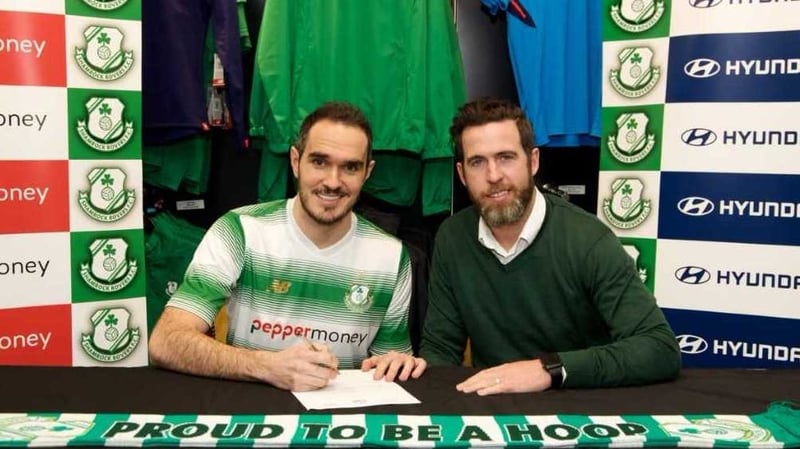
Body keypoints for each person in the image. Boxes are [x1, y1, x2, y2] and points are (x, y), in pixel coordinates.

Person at [149, 102, 427, 391]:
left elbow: (387, 364)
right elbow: (166, 341)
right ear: (295, 161)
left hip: (341, 424)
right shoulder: (240, 230)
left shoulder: (392, 257)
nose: (333, 182)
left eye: (350, 167)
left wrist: (396, 363)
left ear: (367, 172)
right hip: (254, 418)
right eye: (319, 162)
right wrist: (266, 367)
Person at [420, 98, 680, 395]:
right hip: (492, 408)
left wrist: (549, 369)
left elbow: (659, 348)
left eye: (506, 157)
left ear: (533, 162)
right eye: (477, 162)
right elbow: (440, 347)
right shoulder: (452, 236)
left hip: (578, 407)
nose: (493, 176)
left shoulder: (587, 238)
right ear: (462, 174)